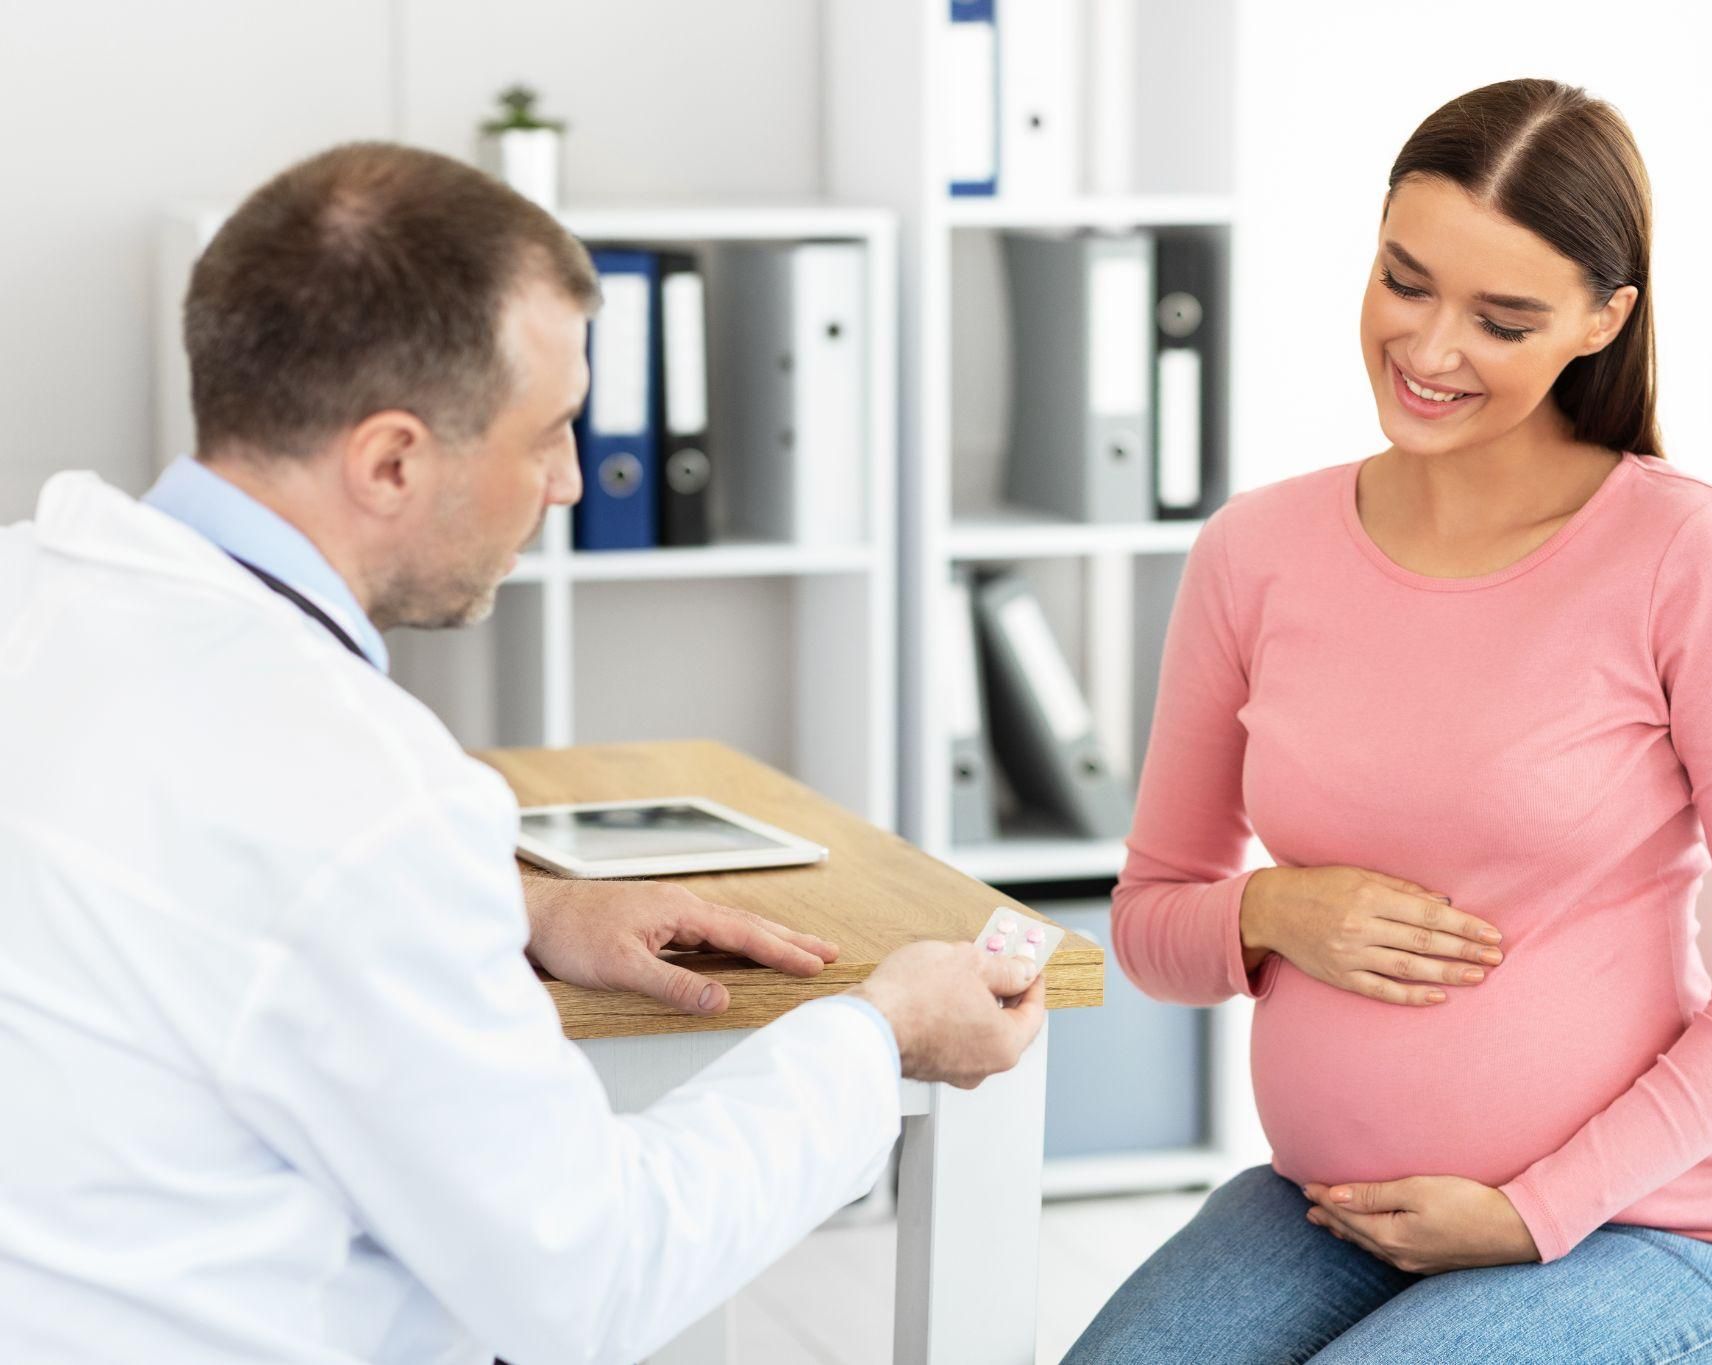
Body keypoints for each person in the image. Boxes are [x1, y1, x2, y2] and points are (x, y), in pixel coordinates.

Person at [0, 142, 1044, 1363]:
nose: (563, 484)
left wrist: (510, 905)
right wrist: (878, 1037)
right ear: (391, 461)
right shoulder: (366, 795)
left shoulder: (38, 589)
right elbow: (587, 1280)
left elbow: (164, 855)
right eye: (546, 433)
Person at [1065, 79, 1712, 1363]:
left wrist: (1528, 1212)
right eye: (1403, 280)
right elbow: (1151, 924)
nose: (1427, 351)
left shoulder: (1682, 554)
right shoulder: (1254, 553)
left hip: (1646, 1235)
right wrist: (1268, 913)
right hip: (1328, 1214)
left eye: (1501, 318)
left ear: (1603, 320)